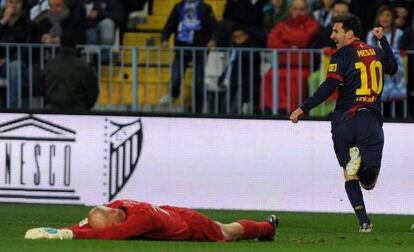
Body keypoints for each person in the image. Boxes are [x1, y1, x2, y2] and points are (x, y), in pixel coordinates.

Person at [289, 14, 398, 232]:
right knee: (369, 182)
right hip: (369, 119)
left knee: (349, 173)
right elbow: (393, 68)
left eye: (336, 31)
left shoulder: (341, 56)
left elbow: (329, 86)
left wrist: (304, 108)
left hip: (343, 121)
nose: (332, 36)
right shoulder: (376, 52)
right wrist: (383, 41)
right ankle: (362, 168)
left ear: (349, 33)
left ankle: (364, 222)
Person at [24, 199, 279, 241]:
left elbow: (114, 234)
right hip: (172, 212)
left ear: (116, 217)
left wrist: (70, 235)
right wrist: (58, 229)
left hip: (190, 225)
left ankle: (268, 227)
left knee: (228, 232)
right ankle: (267, 227)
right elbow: (89, 225)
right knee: (228, 230)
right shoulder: (114, 208)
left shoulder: (139, 219)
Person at [262, 0, 319, 114]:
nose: (299, 12)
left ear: (307, 10)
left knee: (296, 78)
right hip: (280, 66)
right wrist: (289, 47)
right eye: (295, 9)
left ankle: (292, 111)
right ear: (290, 10)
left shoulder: (313, 24)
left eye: (302, 9)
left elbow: (303, 38)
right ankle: (268, 108)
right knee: (268, 76)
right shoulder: (282, 25)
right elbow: (271, 42)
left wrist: (283, 40)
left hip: (302, 67)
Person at [159, 0, 217, 113]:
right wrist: (164, 39)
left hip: (200, 50)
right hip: (182, 49)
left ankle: (197, 111)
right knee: (175, 77)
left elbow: (214, 27)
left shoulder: (206, 7)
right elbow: (169, 26)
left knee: (199, 83)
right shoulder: (178, 7)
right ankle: (173, 94)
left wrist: (213, 40)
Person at [40, 28, 98, 110]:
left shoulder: (49, 65)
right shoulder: (83, 66)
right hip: (77, 111)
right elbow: (92, 92)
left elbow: (42, 90)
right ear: (76, 44)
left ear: (60, 43)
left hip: (52, 110)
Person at [366, 5, 406, 118]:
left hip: (396, 71)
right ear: (377, 18)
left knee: (397, 108)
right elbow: (370, 52)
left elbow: (399, 52)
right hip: (378, 71)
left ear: (393, 18)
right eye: (382, 15)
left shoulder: (399, 33)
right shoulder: (371, 34)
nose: (385, 18)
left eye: (388, 15)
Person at [0, 0, 33, 108]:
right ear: (5, 4)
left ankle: (13, 109)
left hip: (18, 62)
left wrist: (7, 59)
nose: (13, 5)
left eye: (17, 2)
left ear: (22, 5)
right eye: (10, 2)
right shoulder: (1, 22)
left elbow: (26, 49)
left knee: (14, 66)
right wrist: (3, 22)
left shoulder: (29, 25)